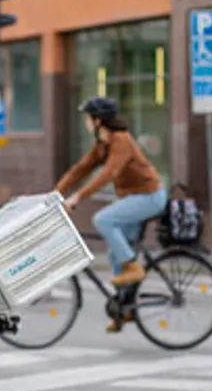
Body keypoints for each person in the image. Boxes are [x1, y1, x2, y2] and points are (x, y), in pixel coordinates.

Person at [55, 97, 167, 331]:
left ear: (97, 121)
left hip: (149, 197)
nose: (85, 122)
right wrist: (54, 194)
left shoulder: (121, 141)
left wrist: (77, 197)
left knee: (102, 219)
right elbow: (81, 169)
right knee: (115, 253)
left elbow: (109, 174)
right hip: (131, 199)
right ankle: (124, 308)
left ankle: (133, 266)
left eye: (87, 118)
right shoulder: (103, 144)